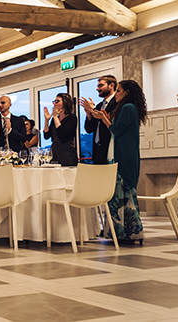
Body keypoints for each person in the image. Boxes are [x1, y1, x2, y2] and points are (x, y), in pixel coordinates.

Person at [92, 80, 146, 242]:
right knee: (120, 194)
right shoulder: (127, 108)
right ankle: (120, 231)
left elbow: (116, 130)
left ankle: (129, 231)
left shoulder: (128, 108)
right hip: (123, 152)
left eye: (119, 91)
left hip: (124, 155)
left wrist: (104, 119)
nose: (116, 94)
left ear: (127, 92)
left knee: (124, 193)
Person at [80, 75, 118, 165]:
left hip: (110, 149)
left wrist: (92, 110)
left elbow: (111, 125)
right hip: (97, 151)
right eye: (97, 86)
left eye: (101, 85)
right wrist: (89, 114)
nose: (97, 89)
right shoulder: (99, 106)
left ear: (111, 86)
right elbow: (89, 129)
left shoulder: (116, 103)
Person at [0, 95, 27, 163]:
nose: (0, 105)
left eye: (3, 103)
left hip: (15, 157)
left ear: (10, 104)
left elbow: (23, 138)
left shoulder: (19, 120)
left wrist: (11, 130)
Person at [43, 93, 79, 166]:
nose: (54, 103)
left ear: (65, 102)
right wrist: (46, 120)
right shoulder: (54, 119)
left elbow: (63, 135)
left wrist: (55, 117)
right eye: (54, 101)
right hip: (55, 152)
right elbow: (46, 135)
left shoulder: (71, 118)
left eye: (57, 101)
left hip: (67, 154)